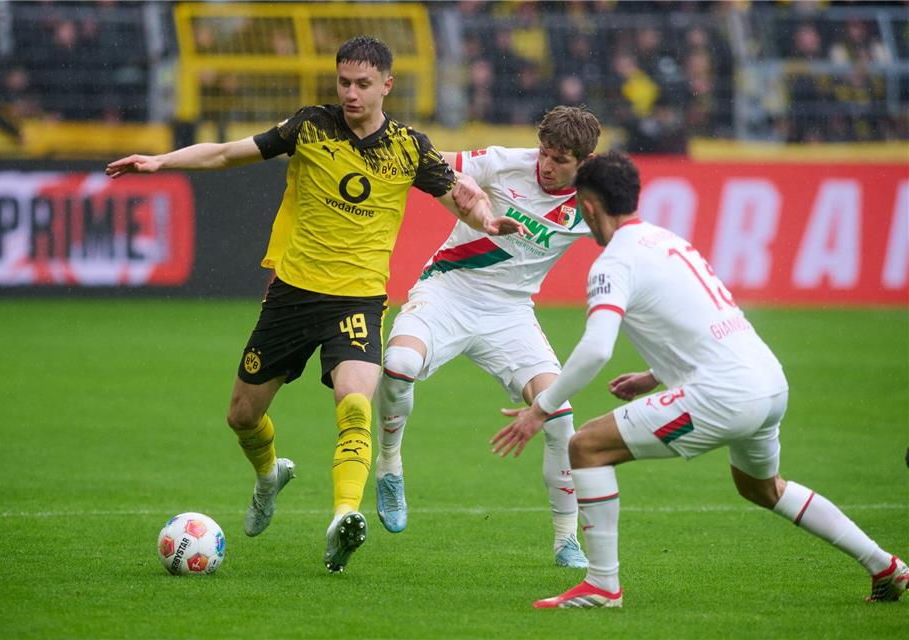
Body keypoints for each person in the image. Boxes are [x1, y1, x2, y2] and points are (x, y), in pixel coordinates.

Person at [106, 36, 526, 574]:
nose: (351, 93)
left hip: (357, 298)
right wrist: (160, 161)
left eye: (363, 84)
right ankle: (267, 477)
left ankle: (344, 517)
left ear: (387, 86)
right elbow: (225, 152)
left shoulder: (410, 148)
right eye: (344, 83)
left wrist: (490, 222)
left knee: (354, 404)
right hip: (292, 295)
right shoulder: (310, 126)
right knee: (242, 415)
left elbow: (462, 200)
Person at [493, 151, 907, 607]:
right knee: (762, 488)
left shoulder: (613, 263)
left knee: (586, 446)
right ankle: (884, 565)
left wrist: (541, 408)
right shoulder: (668, 241)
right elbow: (709, 317)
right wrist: (654, 376)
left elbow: (595, 350)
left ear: (588, 207)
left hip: (723, 394)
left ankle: (602, 585)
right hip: (767, 382)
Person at [376, 106, 602, 568]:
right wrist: (456, 182)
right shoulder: (503, 162)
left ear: (585, 160)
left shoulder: (593, 204)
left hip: (510, 315)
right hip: (447, 291)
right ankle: (389, 463)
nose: (545, 165)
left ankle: (565, 540)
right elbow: (429, 160)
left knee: (560, 420)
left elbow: (632, 245)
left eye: (559, 159)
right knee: (398, 367)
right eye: (543, 152)